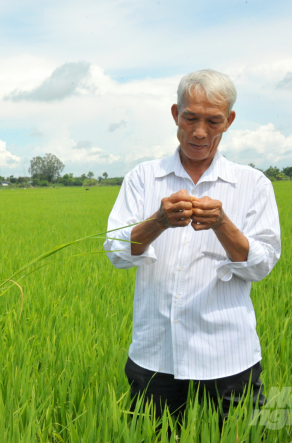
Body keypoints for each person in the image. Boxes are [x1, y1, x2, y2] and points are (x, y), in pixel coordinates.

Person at [104, 69, 281, 420]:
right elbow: (115, 251)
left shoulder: (253, 183)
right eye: (191, 118)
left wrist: (222, 224)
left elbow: (262, 265)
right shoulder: (143, 178)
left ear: (229, 121)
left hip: (229, 354)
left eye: (213, 121)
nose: (200, 132)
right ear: (175, 114)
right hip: (156, 354)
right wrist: (158, 222)